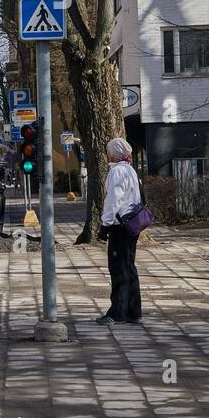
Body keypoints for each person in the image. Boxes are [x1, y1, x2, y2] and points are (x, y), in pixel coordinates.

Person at [95, 137, 142, 326]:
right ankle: (134, 311)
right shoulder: (130, 170)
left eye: (108, 151)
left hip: (119, 225)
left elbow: (113, 201)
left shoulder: (117, 173)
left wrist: (105, 224)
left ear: (113, 153)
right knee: (130, 267)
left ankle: (117, 313)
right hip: (132, 225)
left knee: (119, 269)